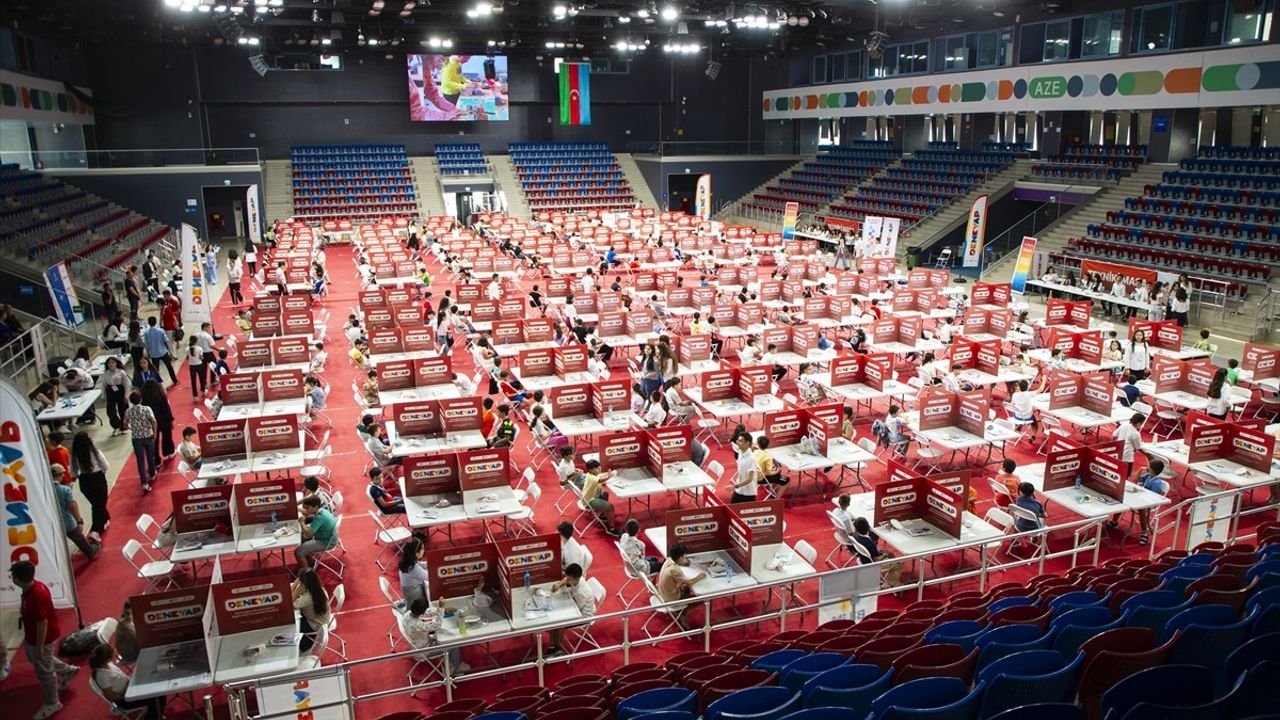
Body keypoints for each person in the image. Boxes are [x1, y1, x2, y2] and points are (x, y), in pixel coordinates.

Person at [12, 560, 78, 718]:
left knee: (45, 672)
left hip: (41, 638)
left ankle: (52, 702)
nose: (11, 578)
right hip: (32, 636)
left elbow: (43, 623)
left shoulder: (37, 595)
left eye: (13, 576)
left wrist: (40, 646)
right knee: (38, 659)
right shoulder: (31, 588)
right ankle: (68, 671)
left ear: (19, 578)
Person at [88, 643, 165, 720]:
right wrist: (127, 694)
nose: (115, 651)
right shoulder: (102, 675)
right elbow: (110, 696)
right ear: (107, 658)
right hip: (125, 700)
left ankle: (154, 714)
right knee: (156, 696)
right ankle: (154, 717)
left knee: (155, 686)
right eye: (112, 652)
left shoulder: (108, 664)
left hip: (129, 689)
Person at [403, 597, 469, 672]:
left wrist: (444, 609)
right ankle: (456, 668)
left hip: (420, 642)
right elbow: (437, 625)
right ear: (422, 611)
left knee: (441, 636)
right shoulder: (417, 625)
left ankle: (449, 661)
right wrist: (441, 608)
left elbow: (427, 612)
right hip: (424, 651)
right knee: (453, 643)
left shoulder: (407, 614)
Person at [546, 563, 597, 656]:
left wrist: (560, 607)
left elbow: (576, 610)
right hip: (577, 605)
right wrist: (559, 584)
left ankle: (557, 649)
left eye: (569, 579)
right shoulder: (576, 578)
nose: (567, 580)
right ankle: (553, 644)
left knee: (558, 622)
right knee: (554, 621)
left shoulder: (582, 592)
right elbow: (566, 579)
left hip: (583, 616)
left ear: (576, 579)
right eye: (567, 577)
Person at [69, 432, 110, 542]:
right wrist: (102, 474)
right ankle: (96, 531)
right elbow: (105, 465)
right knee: (99, 505)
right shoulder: (95, 452)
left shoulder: (74, 455)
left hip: (84, 481)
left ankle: (105, 519)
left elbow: (73, 472)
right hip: (97, 478)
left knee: (96, 504)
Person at [51, 464, 97, 559]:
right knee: (78, 538)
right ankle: (90, 551)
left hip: (52, 524)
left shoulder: (46, 491)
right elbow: (72, 506)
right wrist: (79, 520)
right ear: (60, 475)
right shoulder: (65, 490)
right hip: (67, 522)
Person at [657, 544, 705, 630]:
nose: (685, 557)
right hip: (671, 598)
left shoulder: (668, 561)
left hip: (662, 592)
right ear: (680, 557)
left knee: (685, 589)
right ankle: (681, 612)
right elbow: (688, 583)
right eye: (684, 556)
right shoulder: (674, 569)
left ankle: (680, 612)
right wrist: (699, 576)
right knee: (704, 599)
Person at [850, 517, 903, 586]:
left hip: (863, 560)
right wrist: (885, 554)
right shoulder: (870, 542)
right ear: (868, 527)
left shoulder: (856, 537)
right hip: (873, 564)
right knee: (900, 562)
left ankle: (892, 577)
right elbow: (877, 559)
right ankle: (890, 583)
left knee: (890, 554)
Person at [291, 569, 332, 653]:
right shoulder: (318, 588)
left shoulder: (307, 598)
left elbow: (289, 602)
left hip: (314, 625)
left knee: (291, 624)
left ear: (303, 583)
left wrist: (296, 587)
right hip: (321, 619)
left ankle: (304, 643)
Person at [124, 391, 158, 492]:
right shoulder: (147, 409)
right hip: (148, 435)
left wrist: (132, 428)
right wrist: (154, 432)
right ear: (141, 399)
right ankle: (152, 473)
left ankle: (144, 482)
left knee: (140, 460)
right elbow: (154, 421)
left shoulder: (128, 412)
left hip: (136, 438)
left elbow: (125, 425)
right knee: (150, 456)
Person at [296, 496, 339, 569]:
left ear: (315, 507)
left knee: (298, 552)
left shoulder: (320, 517)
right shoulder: (323, 511)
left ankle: (307, 575)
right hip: (328, 537)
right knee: (301, 538)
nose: (306, 510)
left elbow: (309, 534)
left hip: (325, 542)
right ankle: (310, 561)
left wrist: (302, 522)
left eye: (307, 508)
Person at [581, 459, 621, 536]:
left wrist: (610, 473)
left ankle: (603, 516)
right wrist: (609, 475)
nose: (599, 469)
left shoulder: (593, 474)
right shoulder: (592, 478)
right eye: (597, 468)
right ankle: (611, 529)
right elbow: (601, 479)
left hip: (593, 496)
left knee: (605, 494)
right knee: (610, 507)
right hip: (589, 501)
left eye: (599, 467)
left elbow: (601, 475)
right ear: (591, 470)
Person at [141, 380, 175, 459]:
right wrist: (171, 420)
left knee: (154, 441)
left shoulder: (144, 399)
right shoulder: (161, 396)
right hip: (164, 420)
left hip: (151, 422)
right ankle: (169, 453)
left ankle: (156, 459)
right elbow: (166, 409)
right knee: (167, 437)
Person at [98, 356, 131, 435]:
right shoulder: (105, 374)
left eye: (113, 363)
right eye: (109, 363)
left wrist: (126, 395)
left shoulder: (121, 372)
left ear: (116, 363)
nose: (111, 364)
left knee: (122, 409)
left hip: (120, 390)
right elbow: (104, 386)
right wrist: (104, 396)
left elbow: (126, 384)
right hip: (110, 391)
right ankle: (116, 426)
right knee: (110, 411)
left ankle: (124, 426)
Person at [142, 316, 179, 385]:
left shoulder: (146, 333)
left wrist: (148, 353)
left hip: (154, 354)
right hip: (163, 352)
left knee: (156, 370)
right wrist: (168, 350)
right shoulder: (161, 331)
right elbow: (165, 340)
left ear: (149, 323)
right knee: (169, 367)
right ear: (156, 322)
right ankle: (175, 381)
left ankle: (158, 383)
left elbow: (146, 345)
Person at [398, 539, 430, 604]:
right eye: (422, 549)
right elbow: (429, 577)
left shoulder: (407, 561)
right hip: (415, 599)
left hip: (409, 593)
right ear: (416, 553)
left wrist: (435, 562)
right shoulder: (413, 568)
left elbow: (421, 564)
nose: (424, 551)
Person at [731, 433, 760, 503]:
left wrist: (736, 486)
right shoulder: (741, 453)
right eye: (738, 440)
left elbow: (749, 479)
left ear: (747, 443)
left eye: (740, 441)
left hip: (748, 493)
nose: (738, 442)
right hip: (740, 490)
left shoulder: (751, 459)